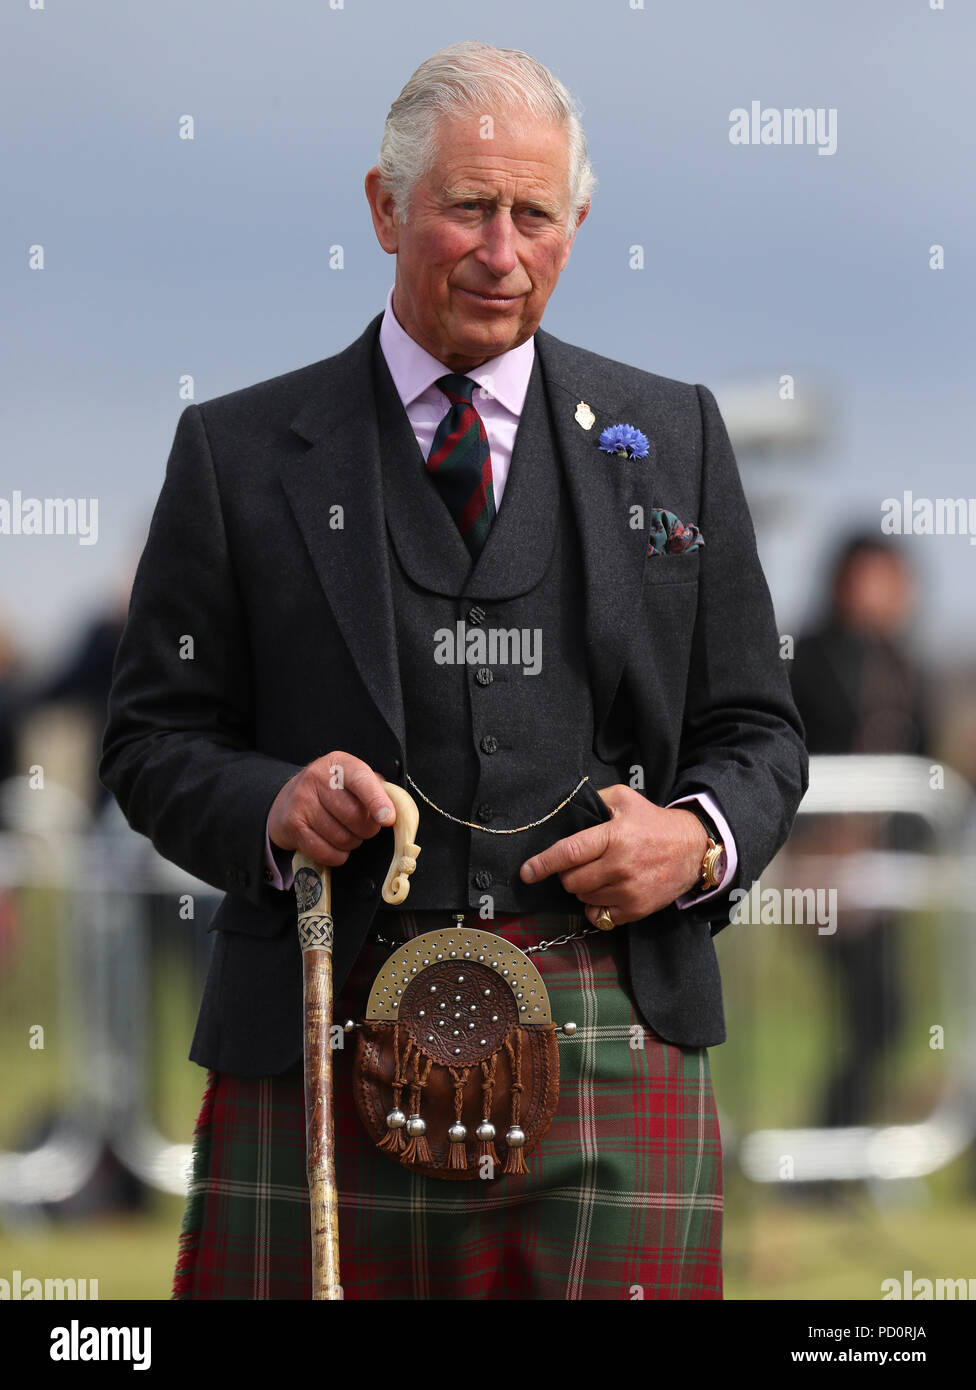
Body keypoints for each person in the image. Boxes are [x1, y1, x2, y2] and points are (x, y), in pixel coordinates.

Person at [100, 42, 808, 1301]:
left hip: (608, 1029)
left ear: (576, 223)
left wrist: (694, 842)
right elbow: (153, 742)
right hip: (322, 1032)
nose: (501, 250)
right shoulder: (240, 451)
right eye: (467, 208)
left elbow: (757, 731)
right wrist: (270, 805)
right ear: (383, 207)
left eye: (534, 214)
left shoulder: (675, 440)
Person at [789, 533, 931, 1128]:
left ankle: (845, 1148)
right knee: (875, 1013)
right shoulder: (806, 657)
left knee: (884, 1015)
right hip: (820, 869)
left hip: (886, 871)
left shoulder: (904, 664)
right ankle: (828, 1153)